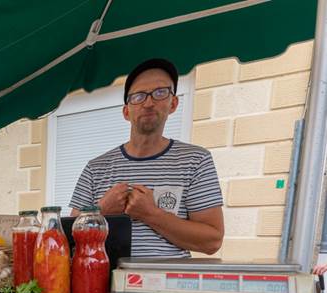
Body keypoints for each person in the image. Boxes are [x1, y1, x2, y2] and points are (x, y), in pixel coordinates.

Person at [69, 58, 224, 258]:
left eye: (160, 93)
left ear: (173, 103)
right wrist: (101, 211)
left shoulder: (196, 161)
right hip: (104, 282)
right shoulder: (95, 168)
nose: (149, 103)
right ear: (126, 111)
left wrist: (150, 214)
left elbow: (212, 241)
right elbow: (68, 236)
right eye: (139, 96)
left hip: (169, 286)